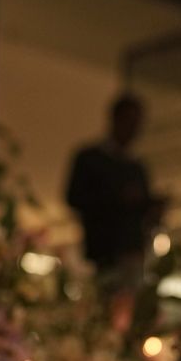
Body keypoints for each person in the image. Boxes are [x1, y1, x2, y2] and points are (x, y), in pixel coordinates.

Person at [65, 93, 161, 291]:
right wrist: (117, 198)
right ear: (116, 119)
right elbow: (74, 197)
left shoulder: (137, 167)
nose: (134, 130)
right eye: (130, 122)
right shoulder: (90, 159)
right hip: (104, 251)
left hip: (132, 252)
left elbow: (142, 211)